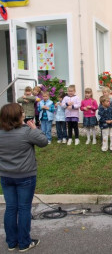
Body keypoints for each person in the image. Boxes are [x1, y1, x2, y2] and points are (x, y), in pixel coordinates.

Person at [0, 103, 48, 252]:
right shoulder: (27, 132)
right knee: (24, 209)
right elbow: (44, 142)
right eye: (21, 112)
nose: (23, 114)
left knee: (10, 208)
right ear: (18, 116)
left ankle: (11, 242)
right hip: (25, 176)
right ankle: (24, 243)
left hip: (6, 176)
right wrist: (34, 128)